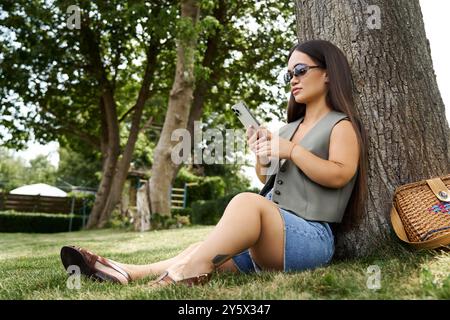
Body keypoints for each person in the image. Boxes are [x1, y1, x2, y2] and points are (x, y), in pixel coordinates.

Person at [60, 39, 368, 287]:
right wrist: (262, 155)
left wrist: (291, 151)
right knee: (205, 248)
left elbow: (341, 174)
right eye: (289, 74)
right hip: (272, 234)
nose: (293, 80)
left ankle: (189, 273)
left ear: (328, 72)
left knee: (245, 204)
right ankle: (127, 271)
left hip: (309, 239)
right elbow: (267, 180)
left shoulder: (339, 125)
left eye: (300, 70)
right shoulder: (287, 129)